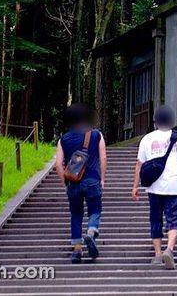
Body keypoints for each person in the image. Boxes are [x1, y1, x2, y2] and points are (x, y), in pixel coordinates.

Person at [132, 105, 177, 269]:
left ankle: (158, 253)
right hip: (174, 186)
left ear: (155, 121)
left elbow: (140, 164)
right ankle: (169, 249)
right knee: (173, 219)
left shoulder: (147, 139)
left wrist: (135, 186)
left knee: (155, 219)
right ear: (171, 121)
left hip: (153, 187)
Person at [55, 103, 106, 263]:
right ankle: (91, 232)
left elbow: (58, 164)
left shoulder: (63, 139)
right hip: (92, 180)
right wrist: (102, 178)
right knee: (95, 210)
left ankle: (77, 251)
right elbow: (103, 157)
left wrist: (65, 182)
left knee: (76, 215)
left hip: (73, 183)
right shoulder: (96, 135)